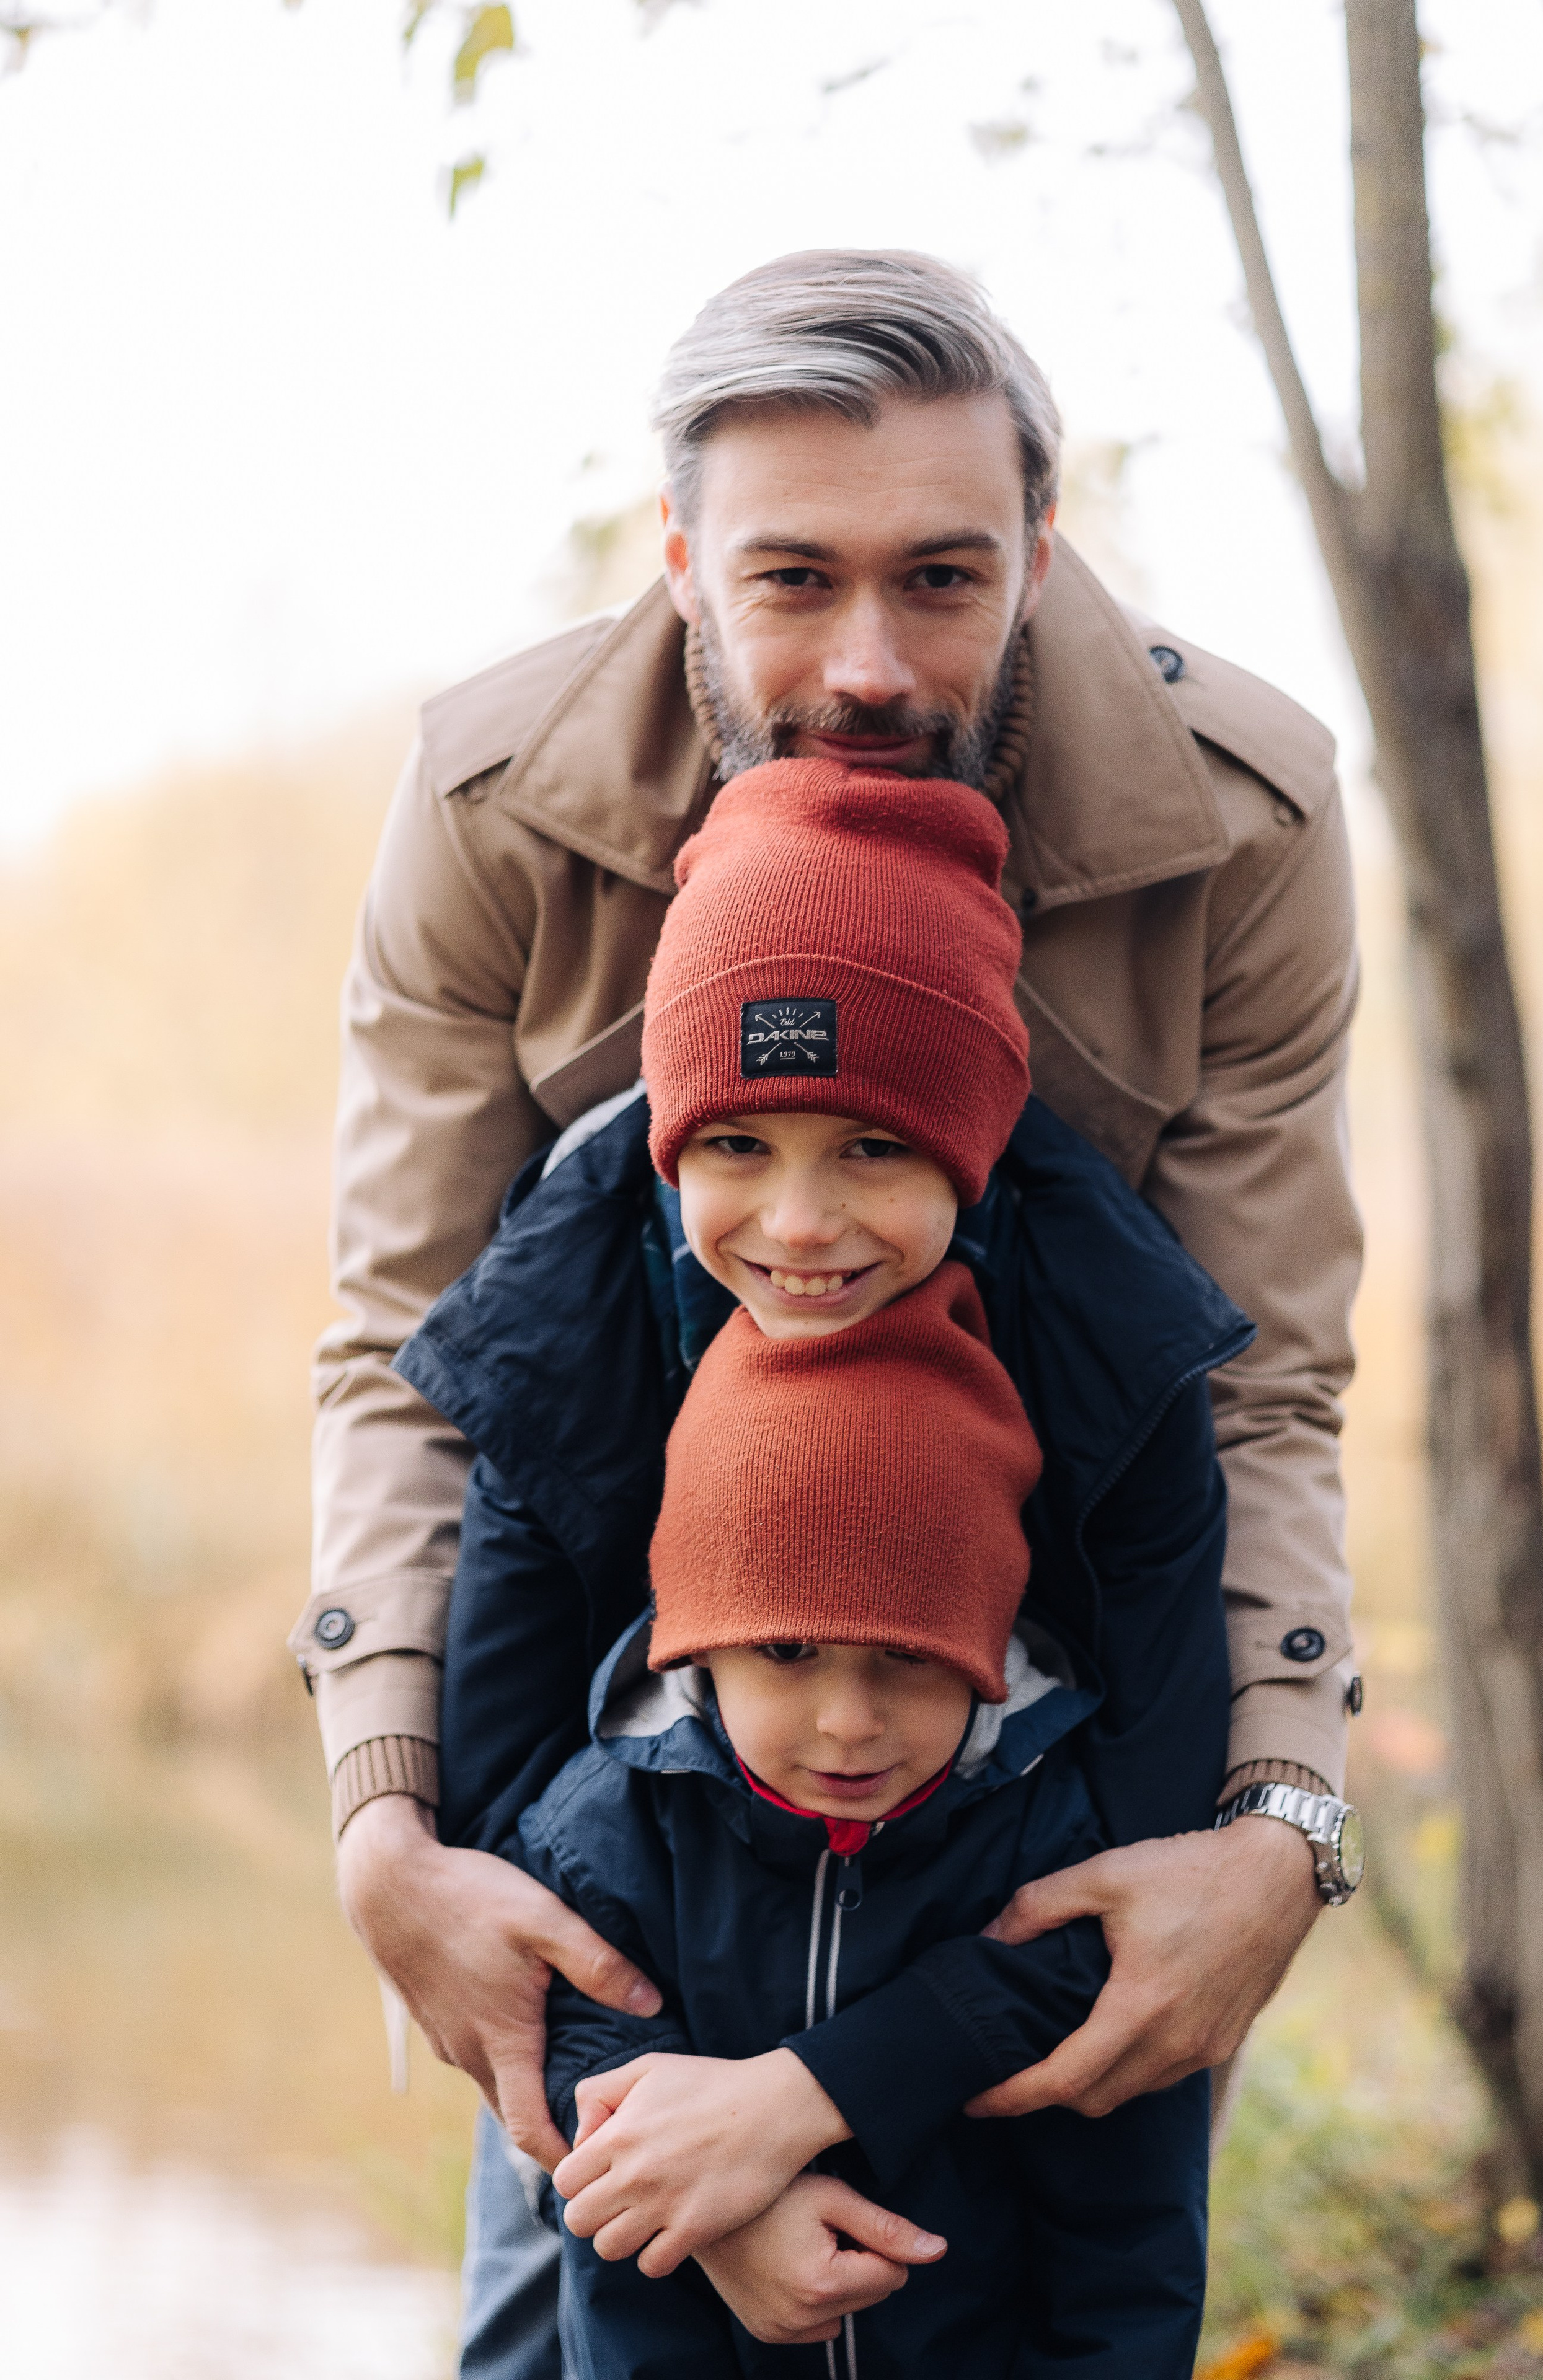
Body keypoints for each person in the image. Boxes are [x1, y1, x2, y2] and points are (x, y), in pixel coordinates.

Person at [295, 249, 1363, 2369]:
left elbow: (1269, 1387)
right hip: (629, 1740)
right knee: (573, 2306)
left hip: (1055, 1724)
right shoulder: (494, 798)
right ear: (679, 557)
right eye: (791, 579)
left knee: (1060, 2281)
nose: (869, 661)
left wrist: (1284, 1828)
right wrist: (386, 1820)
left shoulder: (1242, 812)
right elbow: (408, 1355)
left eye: (945, 579)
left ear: (1043, 547)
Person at [396, 758, 1252, 2358]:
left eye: (870, 1148)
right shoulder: (570, 1302)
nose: (797, 1224)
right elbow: (514, 1843)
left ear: (971, 1139)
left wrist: (806, 2104)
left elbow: (1123, 1879)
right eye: (738, 1148)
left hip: (980, 2060)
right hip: (646, 2017)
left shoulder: (1113, 1340)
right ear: (668, 1140)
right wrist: (698, 2192)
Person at [517, 1263, 1213, 2377]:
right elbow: (593, 2084)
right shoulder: (609, 1830)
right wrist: (726, 2208)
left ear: (988, 1656)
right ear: (698, 1648)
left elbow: (1127, 2234)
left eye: (908, 1660)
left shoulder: (1059, 1842)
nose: (849, 1724)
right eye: (788, 1654)